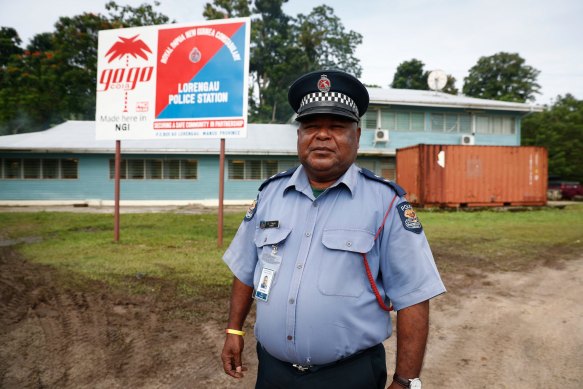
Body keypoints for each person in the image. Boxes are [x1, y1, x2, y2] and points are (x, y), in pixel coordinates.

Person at [220, 69, 446, 389]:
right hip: (273, 373)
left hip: (349, 376)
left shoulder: (385, 204)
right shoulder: (270, 195)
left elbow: (414, 296)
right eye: (311, 127)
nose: (322, 136)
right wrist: (234, 329)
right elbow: (245, 268)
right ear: (299, 136)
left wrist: (406, 380)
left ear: (356, 135)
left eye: (337, 127)